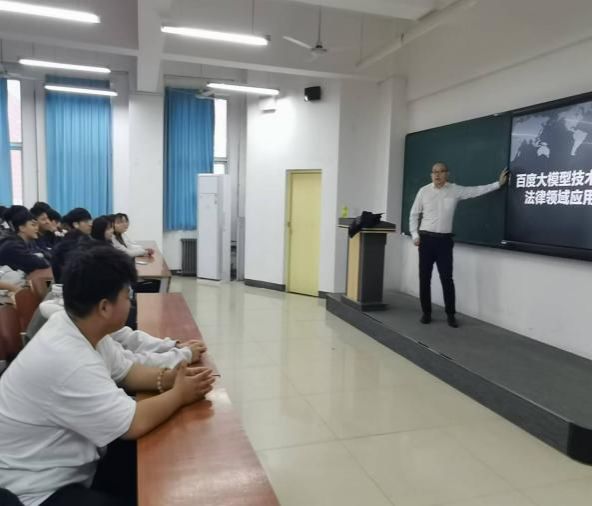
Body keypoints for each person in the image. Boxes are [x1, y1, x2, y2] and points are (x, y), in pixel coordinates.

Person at [0, 245, 215, 506]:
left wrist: (169, 379)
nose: (130, 303)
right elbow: (133, 424)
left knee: (161, 460)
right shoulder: (68, 357)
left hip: (70, 463)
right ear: (104, 307)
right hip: (37, 489)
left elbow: (128, 372)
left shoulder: (79, 327)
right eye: (127, 296)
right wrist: (180, 394)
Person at [409, 163, 509, 327]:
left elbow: (476, 190)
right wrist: (414, 235)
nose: (437, 175)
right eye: (434, 172)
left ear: (447, 174)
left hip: (444, 242)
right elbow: (414, 214)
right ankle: (426, 313)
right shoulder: (423, 191)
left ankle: (450, 314)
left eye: (441, 171)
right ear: (431, 175)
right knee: (424, 278)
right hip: (426, 240)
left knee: (447, 278)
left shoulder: (455, 190)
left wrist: (498, 184)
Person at [0, 209, 50, 274]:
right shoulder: (13, 246)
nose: (37, 228)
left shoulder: (22, 242)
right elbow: (38, 263)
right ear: (22, 228)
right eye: (33, 225)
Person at [51, 208, 93, 283]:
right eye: (86, 221)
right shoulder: (73, 244)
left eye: (90, 221)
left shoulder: (66, 240)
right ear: (76, 224)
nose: (90, 224)